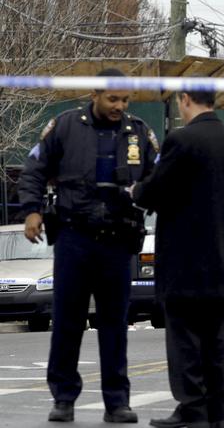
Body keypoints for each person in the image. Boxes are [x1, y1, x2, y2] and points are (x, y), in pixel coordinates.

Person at [18, 68, 158, 423]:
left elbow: (160, 178)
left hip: (117, 242)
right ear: (95, 95)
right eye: (113, 99)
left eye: (125, 100)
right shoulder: (65, 126)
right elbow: (33, 169)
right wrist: (32, 210)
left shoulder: (139, 132)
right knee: (67, 321)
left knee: (114, 325)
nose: (119, 106)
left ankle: (117, 402)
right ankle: (63, 398)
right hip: (74, 238)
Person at [132, 88, 224, 428]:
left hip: (184, 260)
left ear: (185, 99)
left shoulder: (181, 141)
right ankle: (218, 412)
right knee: (215, 340)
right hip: (222, 256)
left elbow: (157, 189)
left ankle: (192, 407)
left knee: (184, 339)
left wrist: (135, 192)